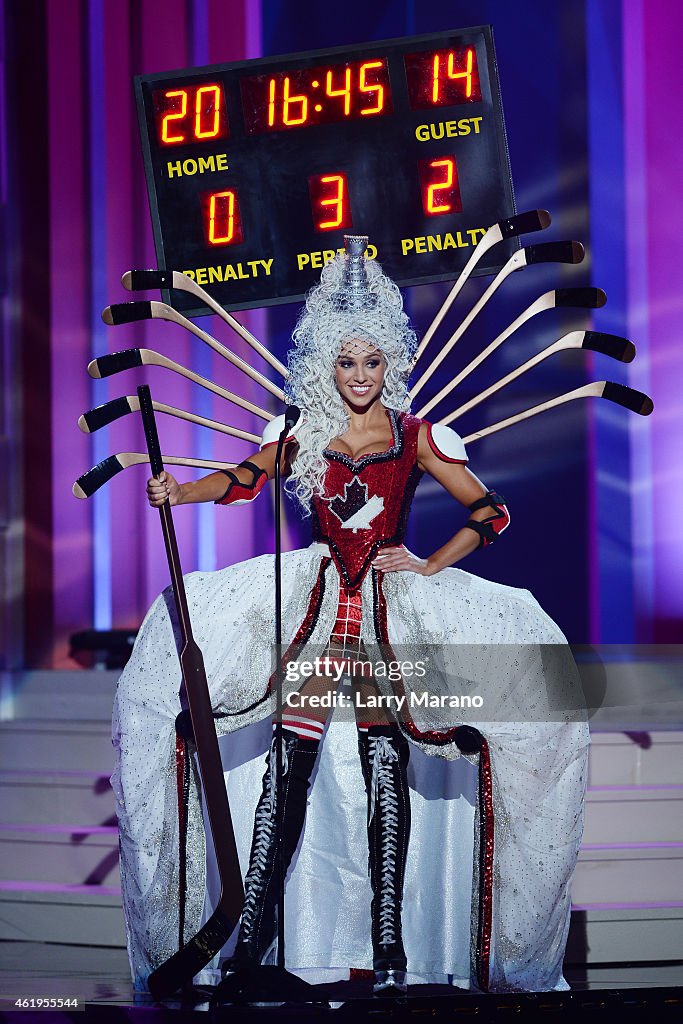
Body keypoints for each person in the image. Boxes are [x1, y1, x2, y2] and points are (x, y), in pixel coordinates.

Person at [112, 236, 589, 997]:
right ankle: (250, 937)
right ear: (325, 366)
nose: (360, 376)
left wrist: (432, 562)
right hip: (317, 607)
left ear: (388, 361)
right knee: (288, 770)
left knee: (383, 768)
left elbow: (490, 510)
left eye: (371, 362)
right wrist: (179, 492)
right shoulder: (299, 432)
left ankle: (390, 946)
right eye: (345, 362)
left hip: (385, 616)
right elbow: (240, 480)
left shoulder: (415, 435)